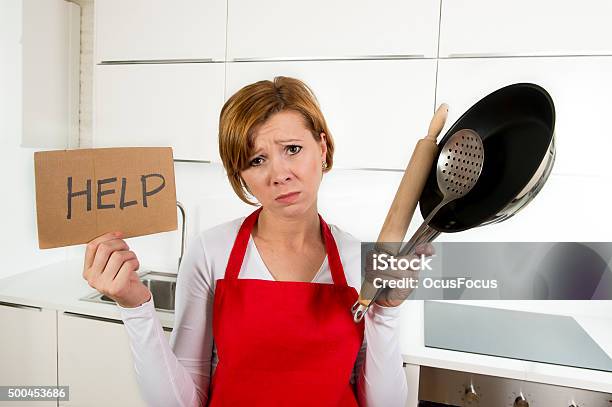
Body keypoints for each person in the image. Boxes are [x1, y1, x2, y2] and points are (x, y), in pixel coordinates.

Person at [82, 76, 433, 406]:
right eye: (257, 160)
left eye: (293, 149)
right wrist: (135, 308)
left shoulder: (359, 259)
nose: (279, 174)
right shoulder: (211, 252)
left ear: (322, 148)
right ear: (241, 175)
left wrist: (387, 313)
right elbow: (182, 401)